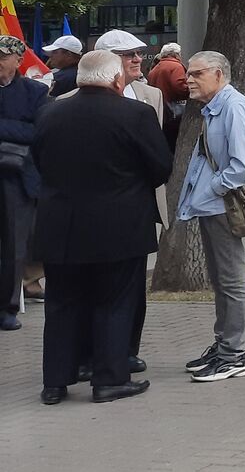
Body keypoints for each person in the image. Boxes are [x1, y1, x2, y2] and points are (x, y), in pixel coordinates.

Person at [32, 50, 172, 404]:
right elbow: (161, 167)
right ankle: (110, 378)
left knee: (61, 302)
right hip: (119, 226)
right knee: (115, 301)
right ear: (115, 80)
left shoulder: (50, 112)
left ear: (80, 79)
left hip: (59, 225)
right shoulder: (136, 114)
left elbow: (39, 162)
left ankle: (55, 382)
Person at [176, 50, 245, 383]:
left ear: (219, 75)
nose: (189, 80)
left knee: (232, 281)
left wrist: (212, 190)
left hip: (223, 206)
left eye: (197, 74)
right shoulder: (216, 108)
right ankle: (225, 345)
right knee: (223, 280)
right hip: (214, 206)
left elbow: (241, 166)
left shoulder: (234, 107)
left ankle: (234, 354)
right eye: (188, 74)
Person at [0, 36, 49, 332]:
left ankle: (7, 307)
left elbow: (38, 132)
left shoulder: (35, 92)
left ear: (19, 61)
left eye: (3, 56)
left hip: (16, 179)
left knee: (13, 246)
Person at [146, 42, 188, 109]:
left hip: (157, 105)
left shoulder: (155, 68)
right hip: (171, 106)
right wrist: (190, 92)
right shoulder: (176, 66)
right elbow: (179, 86)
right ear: (176, 55)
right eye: (180, 54)